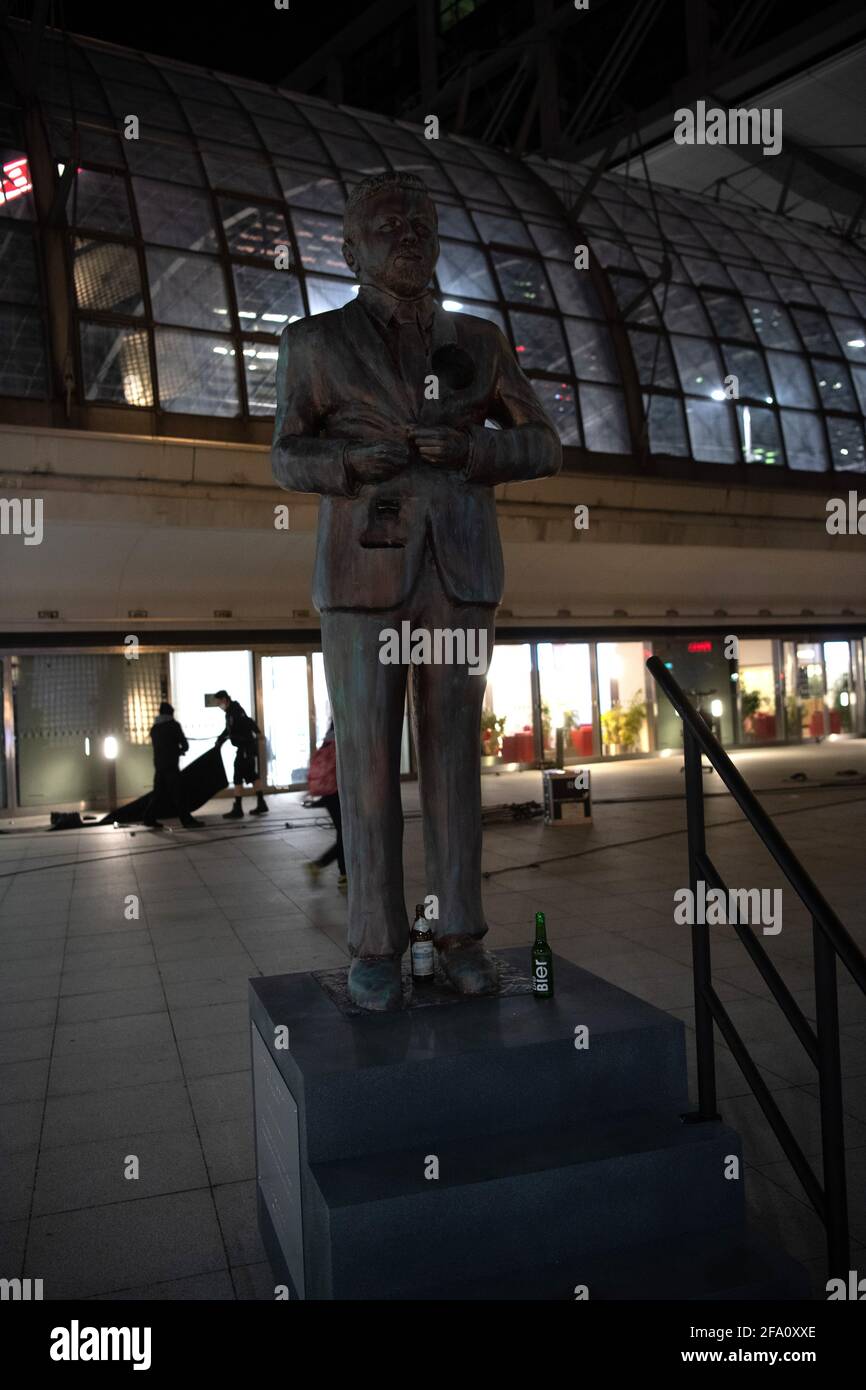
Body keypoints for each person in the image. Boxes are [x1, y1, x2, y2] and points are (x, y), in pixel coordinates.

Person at [272, 170, 561, 1010]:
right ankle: (374, 948)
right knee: (364, 768)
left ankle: (461, 936)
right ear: (351, 247)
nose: (410, 232)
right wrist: (343, 467)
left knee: (453, 763)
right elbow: (285, 453)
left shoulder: (482, 339)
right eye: (389, 221)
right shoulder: (314, 342)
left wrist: (473, 455)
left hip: (461, 569)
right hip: (365, 573)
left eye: (422, 221)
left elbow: (543, 443)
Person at [142, 702, 204, 830]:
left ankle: (148, 818)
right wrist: (180, 750)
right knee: (179, 794)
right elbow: (185, 745)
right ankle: (187, 821)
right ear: (170, 713)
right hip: (171, 766)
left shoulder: (154, 728)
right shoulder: (174, 725)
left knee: (157, 794)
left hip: (159, 766)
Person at [213, 690, 268, 820]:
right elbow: (229, 730)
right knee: (252, 775)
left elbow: (248, 721)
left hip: (245, 748)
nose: (219, 705)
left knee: (238, 775)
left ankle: (238, 808)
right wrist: (220, 740)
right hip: (245, 748)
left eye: (219, 702)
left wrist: (258, 732)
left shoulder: (235, 711)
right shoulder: (231, 711)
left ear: (225, 699)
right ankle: (261, 804)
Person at [305, 721, 346, 890]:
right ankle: (322, 866)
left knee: (343, 831)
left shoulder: (330, 735)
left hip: (329, 791)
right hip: (338, 790)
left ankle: (343, 873)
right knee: (346, 833)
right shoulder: (345, 733)